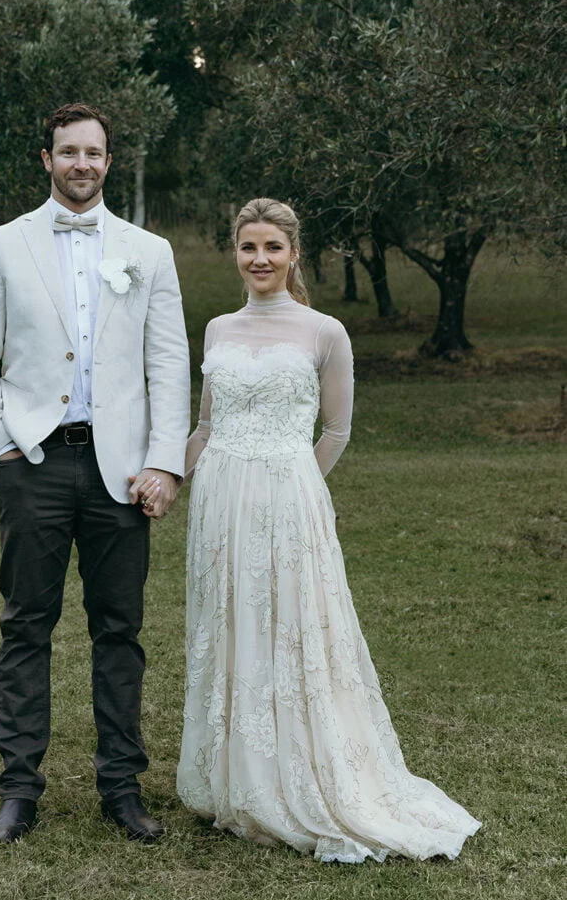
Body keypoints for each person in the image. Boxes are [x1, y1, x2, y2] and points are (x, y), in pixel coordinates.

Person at [177, 198, 480, 863]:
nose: (260, 259)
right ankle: (237, 777)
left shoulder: (325, 331)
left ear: (293, 254)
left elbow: (336, 431)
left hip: (289, 500)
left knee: (292, 626)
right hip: (220, 502)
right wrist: (168, 475)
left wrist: (297, 490)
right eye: (249, 247)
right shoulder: (218, 329)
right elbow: (205, 426)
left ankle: (304, 777)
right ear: (235, 253)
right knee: (232, 622)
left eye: (272, 248)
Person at [0, 103, 190, 844]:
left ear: (109, 162)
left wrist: (165, 461)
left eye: (93, 152)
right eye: (68, 151)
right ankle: (19, 790)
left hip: (122, 470)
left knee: (119, 629)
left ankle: (121, 788)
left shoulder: (149, 251)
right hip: (35, 462)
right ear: (47, 159)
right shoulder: (2, 245)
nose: (81, 163)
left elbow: (168, 361)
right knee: (26, 624)